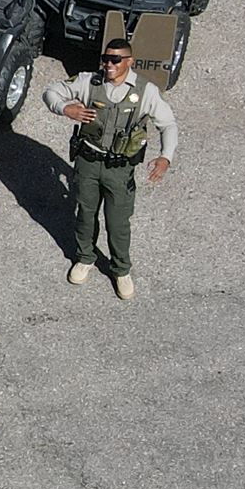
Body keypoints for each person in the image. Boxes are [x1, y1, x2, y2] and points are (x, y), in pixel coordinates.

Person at [41, 38, 177, 300]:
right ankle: (85, 258)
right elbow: (50, 92)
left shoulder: (145, 91)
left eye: (116, 59)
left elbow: (168, 124)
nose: (109, 64)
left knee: (118, 222)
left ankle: (121, 269)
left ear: (129, 62)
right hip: (89, 161)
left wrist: (165, 157)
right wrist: (65, 108)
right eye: (106, 58)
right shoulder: (89, 82)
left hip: (120, 168)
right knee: (85, 213)